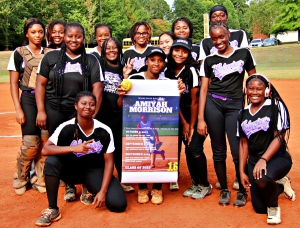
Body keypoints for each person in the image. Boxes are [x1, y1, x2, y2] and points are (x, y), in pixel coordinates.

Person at [35, 91, 127, 227]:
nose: (87, 107)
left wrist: (102, 191)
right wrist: (74, 148)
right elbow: (46, 149)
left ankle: (89, 188)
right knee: (51, 162)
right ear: (76, 106)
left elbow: (109, 162)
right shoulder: (66, 127)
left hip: (94, 170)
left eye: (91, 104)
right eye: (83, 103)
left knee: (118, 204)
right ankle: (52, 208)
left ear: (95, 107)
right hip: (72, 169)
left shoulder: (104, 130)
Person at [35, 22, 104, 203]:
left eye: (78, 36)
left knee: (84, 148)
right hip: (54, 110)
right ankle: (70, 185)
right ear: (64, 37)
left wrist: (93, 112)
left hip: (81, 112)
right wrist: (41, 110)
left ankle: (86, 185)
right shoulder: (51, 58)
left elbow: (97, 87)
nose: (74, 40)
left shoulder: (90, 60)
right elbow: (40, 85)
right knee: (62, 149)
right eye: (70, 36)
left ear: (83, 38)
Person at [197, 21, 256, 206]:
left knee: (238, 149)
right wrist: (200, 118)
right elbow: (204, 89)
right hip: (213, 104)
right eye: (214, 39)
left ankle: (241, 189)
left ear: (229, 34)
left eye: (221, 36)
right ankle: (224, 188)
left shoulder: (244, 53)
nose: (218, 41)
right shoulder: (209, 60)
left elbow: (253, 79)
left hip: (235, 105)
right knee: (218, 150)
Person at [118, 48, 185, 205]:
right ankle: (142, 188)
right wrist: (121, 94)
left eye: (160, 60)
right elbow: (121, 105)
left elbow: (173, 105)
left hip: (157, 123)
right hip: (134, 125)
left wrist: (179, 93)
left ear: (164, 63)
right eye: (153, 59)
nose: (157, 63)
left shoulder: (168, 82)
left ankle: (157, 188)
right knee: (141, 153)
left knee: (154, 149)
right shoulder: (134, 78)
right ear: (146, 61)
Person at [238, 74, 295, 225]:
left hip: (277, 157)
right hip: (255, 159)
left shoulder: (276, 106)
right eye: (251, 88)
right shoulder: (242, 113)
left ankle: (274, 208)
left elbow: (279, 137)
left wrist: (263, 160)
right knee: (259, 207)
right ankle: (281, 185)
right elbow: (244, 144)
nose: (254, 92)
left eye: (259, 88)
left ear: (267, 90)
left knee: (263, 178)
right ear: (245, 90)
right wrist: (242, 171)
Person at [165, 38, 211, 200]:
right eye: (177, 50)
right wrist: (183, 123)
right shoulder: (167, 70)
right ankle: (195, 182)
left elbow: (194, 101)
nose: (180, 54)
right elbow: (171, 100)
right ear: (171, 52)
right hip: (178, 115)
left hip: (194, 115)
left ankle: (204, 184)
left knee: (194, 148)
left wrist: (191, 127)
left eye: (184, 51)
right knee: (188, 148)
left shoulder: (190, 70)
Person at [7, 18, 49, 195]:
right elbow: (13, 83)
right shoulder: (18, 53)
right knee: (31, 143)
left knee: (45, 141)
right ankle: (21, 177)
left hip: (47, 99)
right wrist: (18, 108)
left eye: (40, 32)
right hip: (28, 99)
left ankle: (41, 178)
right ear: (26, 34)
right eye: (33, 32)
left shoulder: (49, 52)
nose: (37, 35)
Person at [95, 37, 135, 193]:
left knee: (118, 147)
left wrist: (126, 76)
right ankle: (100, 178)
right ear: (103, 50)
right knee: (100, 147)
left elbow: (127, 92)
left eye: (114, 48)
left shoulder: (124, 68)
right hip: (100, 114)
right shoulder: (98, 65)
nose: (111, 51)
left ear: (119, 49)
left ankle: (123, 178)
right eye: (108, 48)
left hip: (117, 114)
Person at [158, 31, 180, 191]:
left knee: (174, 142)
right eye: (161, 42)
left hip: (177, 107)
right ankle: (159, 171)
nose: (165, 45)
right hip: (160, 108)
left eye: (168, 41)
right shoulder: (157, 60)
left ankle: (173, 175)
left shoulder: (177, 61)